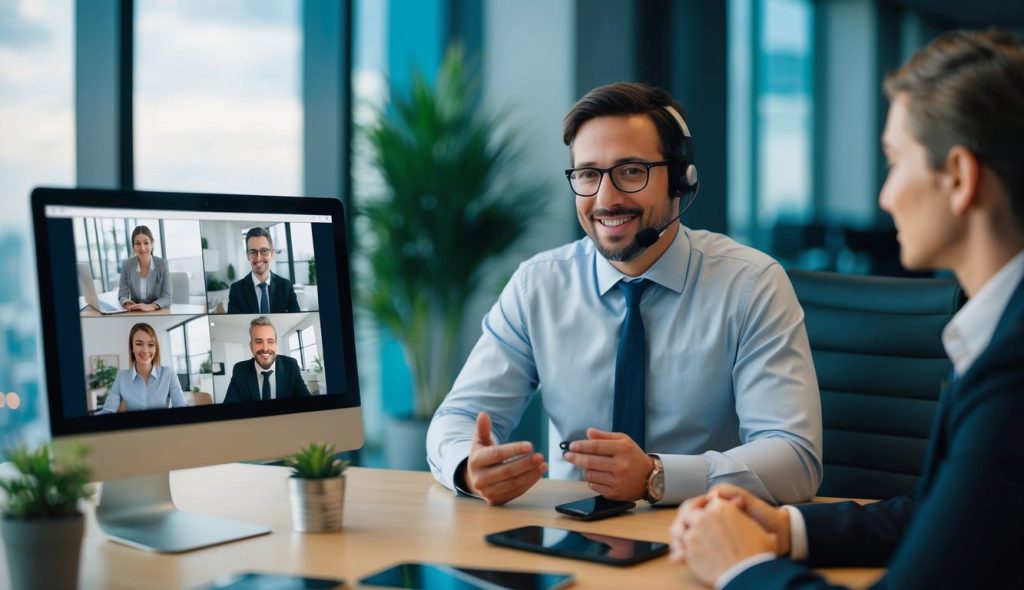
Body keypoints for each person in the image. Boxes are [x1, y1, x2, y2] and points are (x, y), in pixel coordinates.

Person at [672, 29, 1024, 589]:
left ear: (958, 177)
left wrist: (744, 569)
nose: (884, 197)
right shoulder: (996, 329)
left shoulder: (1011, 367)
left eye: (893, 161)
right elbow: (942, 512)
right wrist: (787, 528)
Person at [426, 82, 822, 507]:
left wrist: (656, 475)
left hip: (707, 531)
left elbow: (794, 456)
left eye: (631, 171)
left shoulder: (751, 285)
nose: (606, 198)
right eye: (588, 174)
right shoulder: (537, 287)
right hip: (571, 540)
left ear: (679, 178)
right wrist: (468, 465)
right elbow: (457, 418)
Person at [97, 322, 186, 413]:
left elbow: (181, 407)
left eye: (150, 345)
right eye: (139, 344)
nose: (145, 350)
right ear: (132, 348)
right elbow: (107, 411)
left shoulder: (168, 374)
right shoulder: (122, 377)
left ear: (156, 348)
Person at [223, 316, 311, 403]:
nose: (265, 348)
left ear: (276, 345)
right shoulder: (240, 370)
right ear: (251, 346)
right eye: (258, 342)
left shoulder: (291, 365)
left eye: (270, 341)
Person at [227, 227, 300, 314]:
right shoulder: (236, 289)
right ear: (247, 256)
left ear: (272, 254)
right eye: (253, 252)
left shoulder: (286, 286)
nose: (258, 258)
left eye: (264, 251)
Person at [118, 225, 171, 312]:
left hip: (156, 313)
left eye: (146, 243)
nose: (142, 248)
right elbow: (122, 295)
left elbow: (167, 297)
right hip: (136, 313)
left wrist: (151, 306)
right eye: (137, 243)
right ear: (133, 246)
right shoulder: (127, 265)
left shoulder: (162, 264)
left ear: (152, 243)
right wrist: (128, 303)